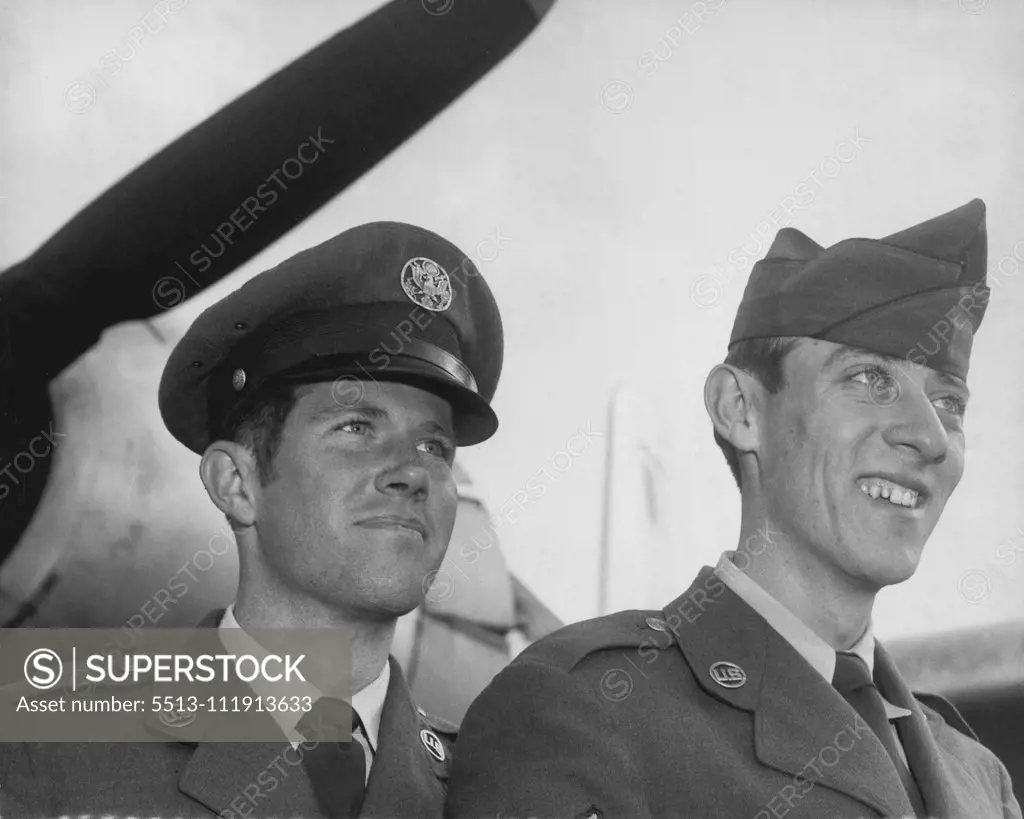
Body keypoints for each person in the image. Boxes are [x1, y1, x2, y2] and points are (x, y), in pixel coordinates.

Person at [444, 199, 1023, 819]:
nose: (931, 437)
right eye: (869, 380)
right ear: (740, 409)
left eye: (950, 402)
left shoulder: (979, 777)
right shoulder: (582, 712)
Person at [0, 221, 504, 818]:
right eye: (355, 427)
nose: (412, 472)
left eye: (434, 448)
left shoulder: (497, 790)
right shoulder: (40, 754)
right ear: (235, 484)